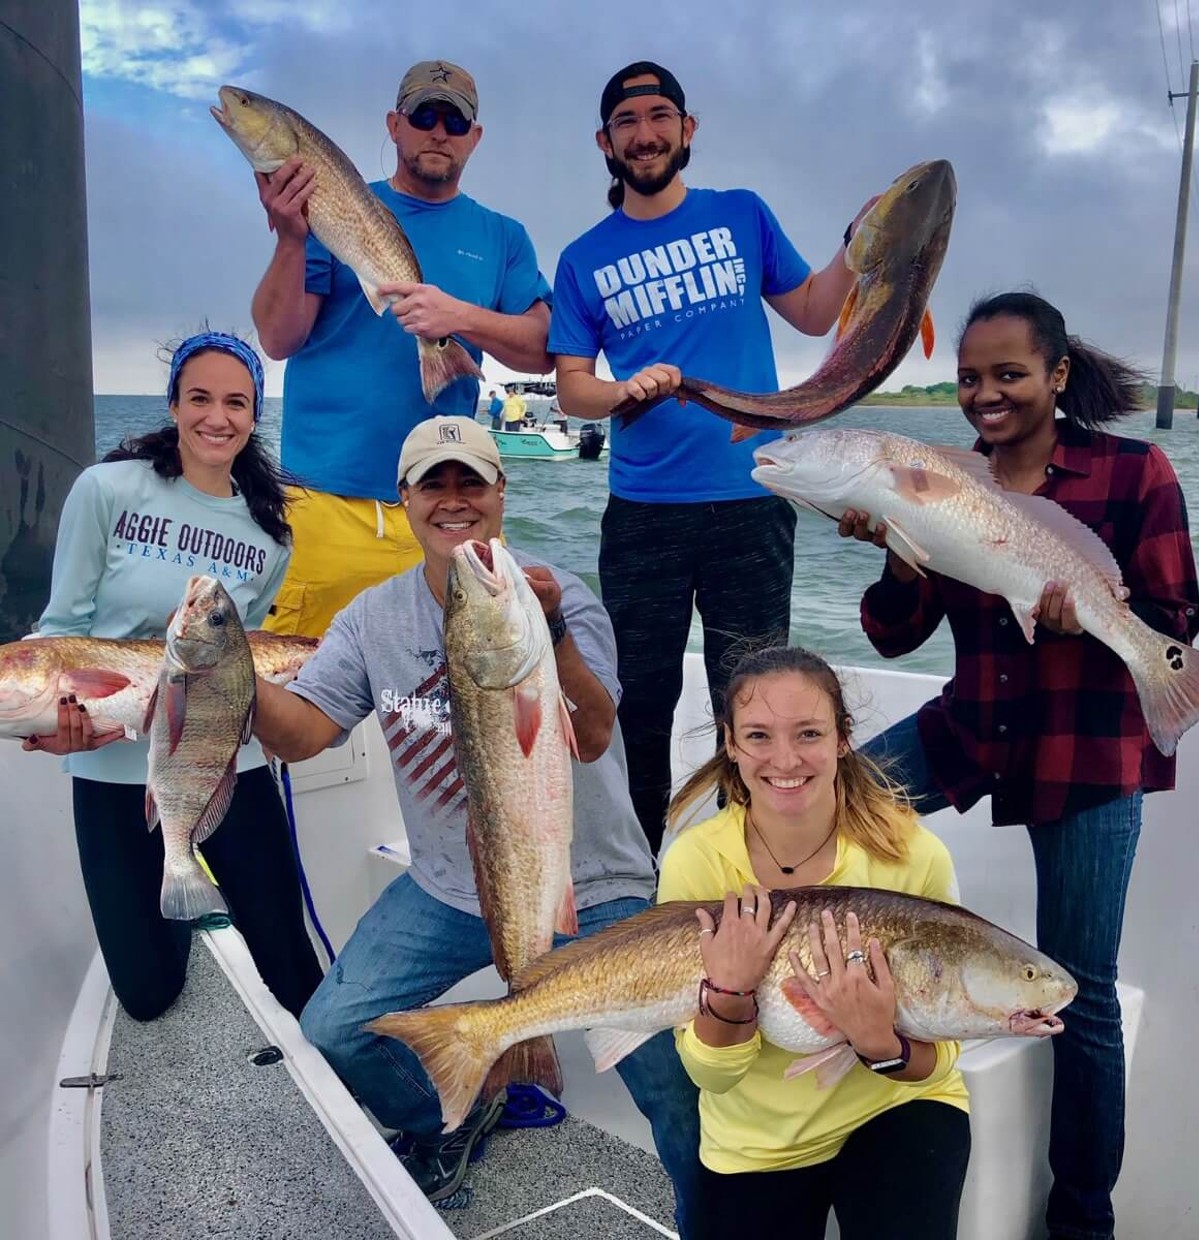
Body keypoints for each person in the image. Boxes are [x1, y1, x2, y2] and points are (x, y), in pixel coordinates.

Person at [249, 416, 704, 1220]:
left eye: (471, 482)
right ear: (405, 498)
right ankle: (455, 1112)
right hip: (451, 886)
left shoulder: (560, 596)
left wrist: (552, 629)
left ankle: (720, 1215)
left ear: (501, 492)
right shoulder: (371, 619)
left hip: (596, 883)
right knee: (333, 1030)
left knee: (668, 1079)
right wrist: (229, 681)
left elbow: (594, 734)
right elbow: (305, 735)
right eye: (434, 483)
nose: (453, 500)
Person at [840, 291, 1199, 1240]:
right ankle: (846, 1081)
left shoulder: (1135, 473)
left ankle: (1083, 1220)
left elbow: (1179, 622)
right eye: (969, 378)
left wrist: (1093, 620)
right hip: (973, 726)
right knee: (834, 811)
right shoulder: (948, 477)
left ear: (1058, 376)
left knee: (1080, 991)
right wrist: (899, 554)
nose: (985, 396)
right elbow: (890, 633)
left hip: (1087, 751)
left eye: (1008, 375)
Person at [549, 60, 877, 857]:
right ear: (605, 141)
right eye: (628, 122)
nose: (645, 134)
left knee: (757, 701)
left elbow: (813, 310)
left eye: (660, 116)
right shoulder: (583, 257)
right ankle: (639, 876)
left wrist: (862, 240)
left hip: (752, 502)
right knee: (643, 701)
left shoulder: (742, 216)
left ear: (687, 130)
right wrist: (626, 391)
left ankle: (753, 861)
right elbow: (570, 392)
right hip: (644, 515)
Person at [22, 332, 323, 1022]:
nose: (218, 418)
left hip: (225, 760)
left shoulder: (269, 533)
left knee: (291, 968)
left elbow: (244, 649)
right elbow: (61, 626)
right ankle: (183, 906)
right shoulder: (106, 489)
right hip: (114, 774)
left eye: (236, 402)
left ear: (254, 415)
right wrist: (54, 725)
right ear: (174, 405)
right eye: (201, 398)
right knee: (148, 996)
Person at [657, 646, 970, 1240]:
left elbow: (944, 1056)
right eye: (758, 735)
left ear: (843, 738)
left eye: (808, 733)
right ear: (729, 743)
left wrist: (881, 1044)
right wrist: (730, 994)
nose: (785, 759)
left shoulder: (911, 854)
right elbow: (712, 1075)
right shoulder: (696, 864)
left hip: (893, 1107)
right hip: (757, 1139)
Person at [250, 59, 552, 638]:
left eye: (455, 120)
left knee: (465, 703)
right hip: (323, 502)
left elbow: (542, 349)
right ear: (395, 124)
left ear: (476, 137)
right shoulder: (331, 204)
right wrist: (290, 237)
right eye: (423, 115)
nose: (438, 131)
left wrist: (456, 316)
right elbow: (277, 338)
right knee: (310, 708)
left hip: (450, 510)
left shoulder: (503, 236)